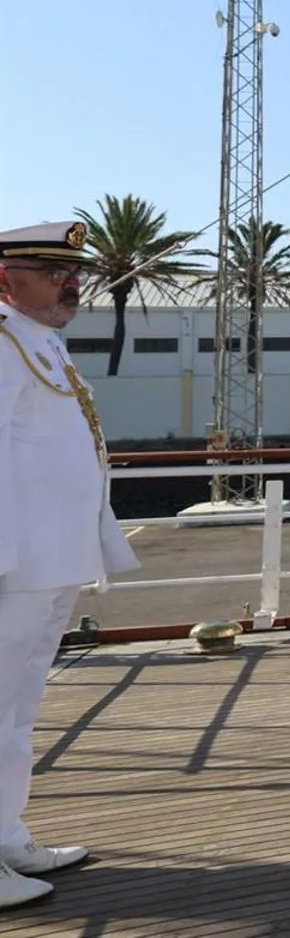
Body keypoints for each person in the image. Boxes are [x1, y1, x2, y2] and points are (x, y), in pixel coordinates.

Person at [0, 221, 139, 910]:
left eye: (73, 272)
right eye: (54, 272)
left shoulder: (42, 345)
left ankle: (7, 835)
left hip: (50, 560)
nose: (72, 283)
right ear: (5, 279)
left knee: (17, 714)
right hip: (13, 565)